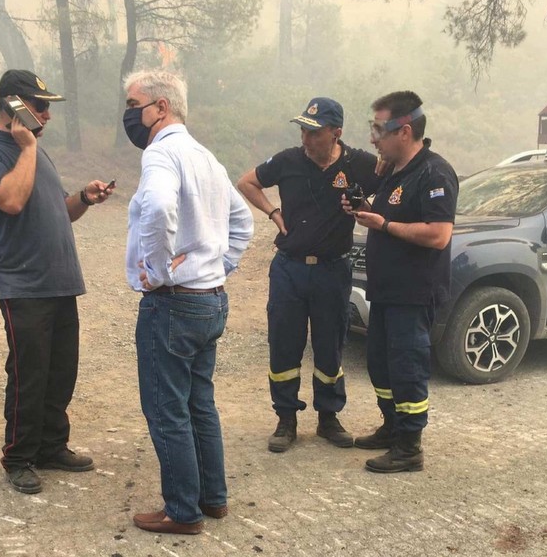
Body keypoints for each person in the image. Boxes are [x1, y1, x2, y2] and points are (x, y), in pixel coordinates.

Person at [0, 69, 114, 494]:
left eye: (49, 107)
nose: (46, 115)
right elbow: (10, 201)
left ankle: (50, 446)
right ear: (13, 103)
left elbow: (58, 211)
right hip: (22, 284)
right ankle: (19, 456)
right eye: (39, 106)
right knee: (29, 373)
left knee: (61, 372)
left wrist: (83, 198)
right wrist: (25, 145)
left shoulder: (37, 155)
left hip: (62, 281)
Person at [123, 69, 253, 535]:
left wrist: (158, 274)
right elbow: (244, 223)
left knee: (167, 408)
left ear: (161, 107)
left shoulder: (162, 154)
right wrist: (220, 265)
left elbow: (158, 209)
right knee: (199, 402)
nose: (129, 114)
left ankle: (182, 510)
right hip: (210, 301)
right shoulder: (205, 157)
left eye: (133, 103)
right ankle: (213, 498)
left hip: (175, 304)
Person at [237, 97, 382, 453]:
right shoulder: (287, 161)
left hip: (333, 270)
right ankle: (286, 418)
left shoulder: (361, 164)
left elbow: (391, 191)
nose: (306, 138)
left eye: (314, 132)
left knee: (330, 345)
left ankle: (328, 418)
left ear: (336, 133)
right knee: (284, 344)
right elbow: (247, 182)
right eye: (303, 130)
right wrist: (272, 212)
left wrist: (366, 208)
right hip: (289, 269)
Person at [346, 90, 458, 473]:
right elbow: (387, 212)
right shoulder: (395, 172)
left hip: (413, 293)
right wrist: (365, 209)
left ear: (404, 131)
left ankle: (410, 447)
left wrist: (385, 224)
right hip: (385, 291)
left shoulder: (434, 173)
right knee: (381, 364)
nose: (373, 138)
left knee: (407, 368)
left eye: (378, 129)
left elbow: (439, 235)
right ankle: (393, 427)